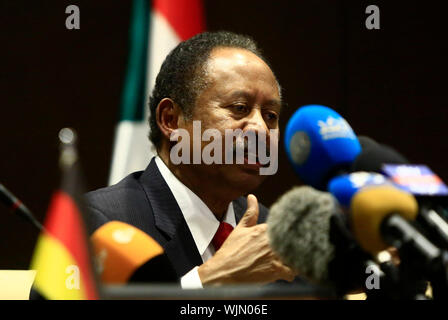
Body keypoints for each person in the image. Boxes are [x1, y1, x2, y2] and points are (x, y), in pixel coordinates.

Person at [85, 31, 296, 288]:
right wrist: (206, 282)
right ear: (171, 120)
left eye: (271, 115)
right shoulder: (97, 223)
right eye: (240, 108)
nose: (261, 129)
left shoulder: (271, 232)